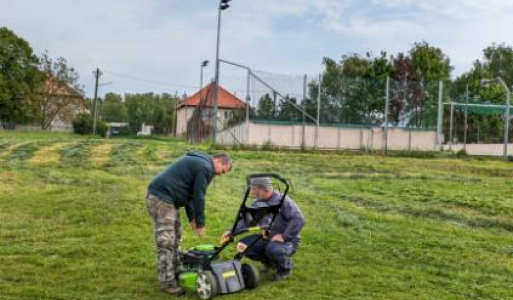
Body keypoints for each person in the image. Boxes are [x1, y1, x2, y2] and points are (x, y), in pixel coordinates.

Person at [146, 151, 232, 295]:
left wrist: (192, 217)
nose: (220, 175)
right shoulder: (205, 167)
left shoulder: (202, 164)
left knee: (177, 236)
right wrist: (200, 223)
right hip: (161, 198)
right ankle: (167, 282)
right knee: (166, 242)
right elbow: (199, 196)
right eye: (222, 171)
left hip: (169, 200)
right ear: (218, 161)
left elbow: (191, 194)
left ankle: (176, 270)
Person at [221, 177, 305, 281]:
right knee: (243, 246)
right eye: (252, 189)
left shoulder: (283, 201)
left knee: (274, 249)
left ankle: (284, 270)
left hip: (288, 240)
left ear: (265, 189)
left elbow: (298, 219)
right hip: (268, 237)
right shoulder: (258, 203)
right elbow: (248, 221)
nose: (253, 192)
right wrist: (232, 231)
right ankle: (270, 263)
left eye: (255, 189)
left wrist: (284, 236)